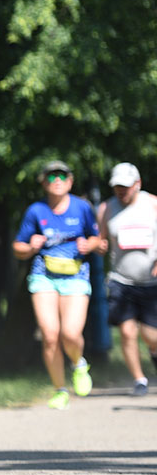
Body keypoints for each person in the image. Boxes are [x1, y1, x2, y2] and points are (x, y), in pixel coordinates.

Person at [12, 160, 101, 410]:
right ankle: (60, 389)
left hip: (75, 276)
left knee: (70, 334)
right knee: (50, 336)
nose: (57, 180)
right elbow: (18, 247)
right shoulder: (36, 211)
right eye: (51, 177)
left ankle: (79, 364)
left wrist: (90, 245)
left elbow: (97, 238)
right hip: (44, 275)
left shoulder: (82, 207)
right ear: (43, 182)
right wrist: (30, 247)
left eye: (62, 176)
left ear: (70, 181)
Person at [96, 162, 157, 396]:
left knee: (151, 336)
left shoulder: (152, 204)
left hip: (150, 282)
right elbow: (101, 239)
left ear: (138, 184)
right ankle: (139, 379)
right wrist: (99, 245)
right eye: (117, 187)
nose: (121, 191)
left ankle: (152, 352)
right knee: (127, 331)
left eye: (126, 186)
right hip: (121, 280)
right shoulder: (106, 209)